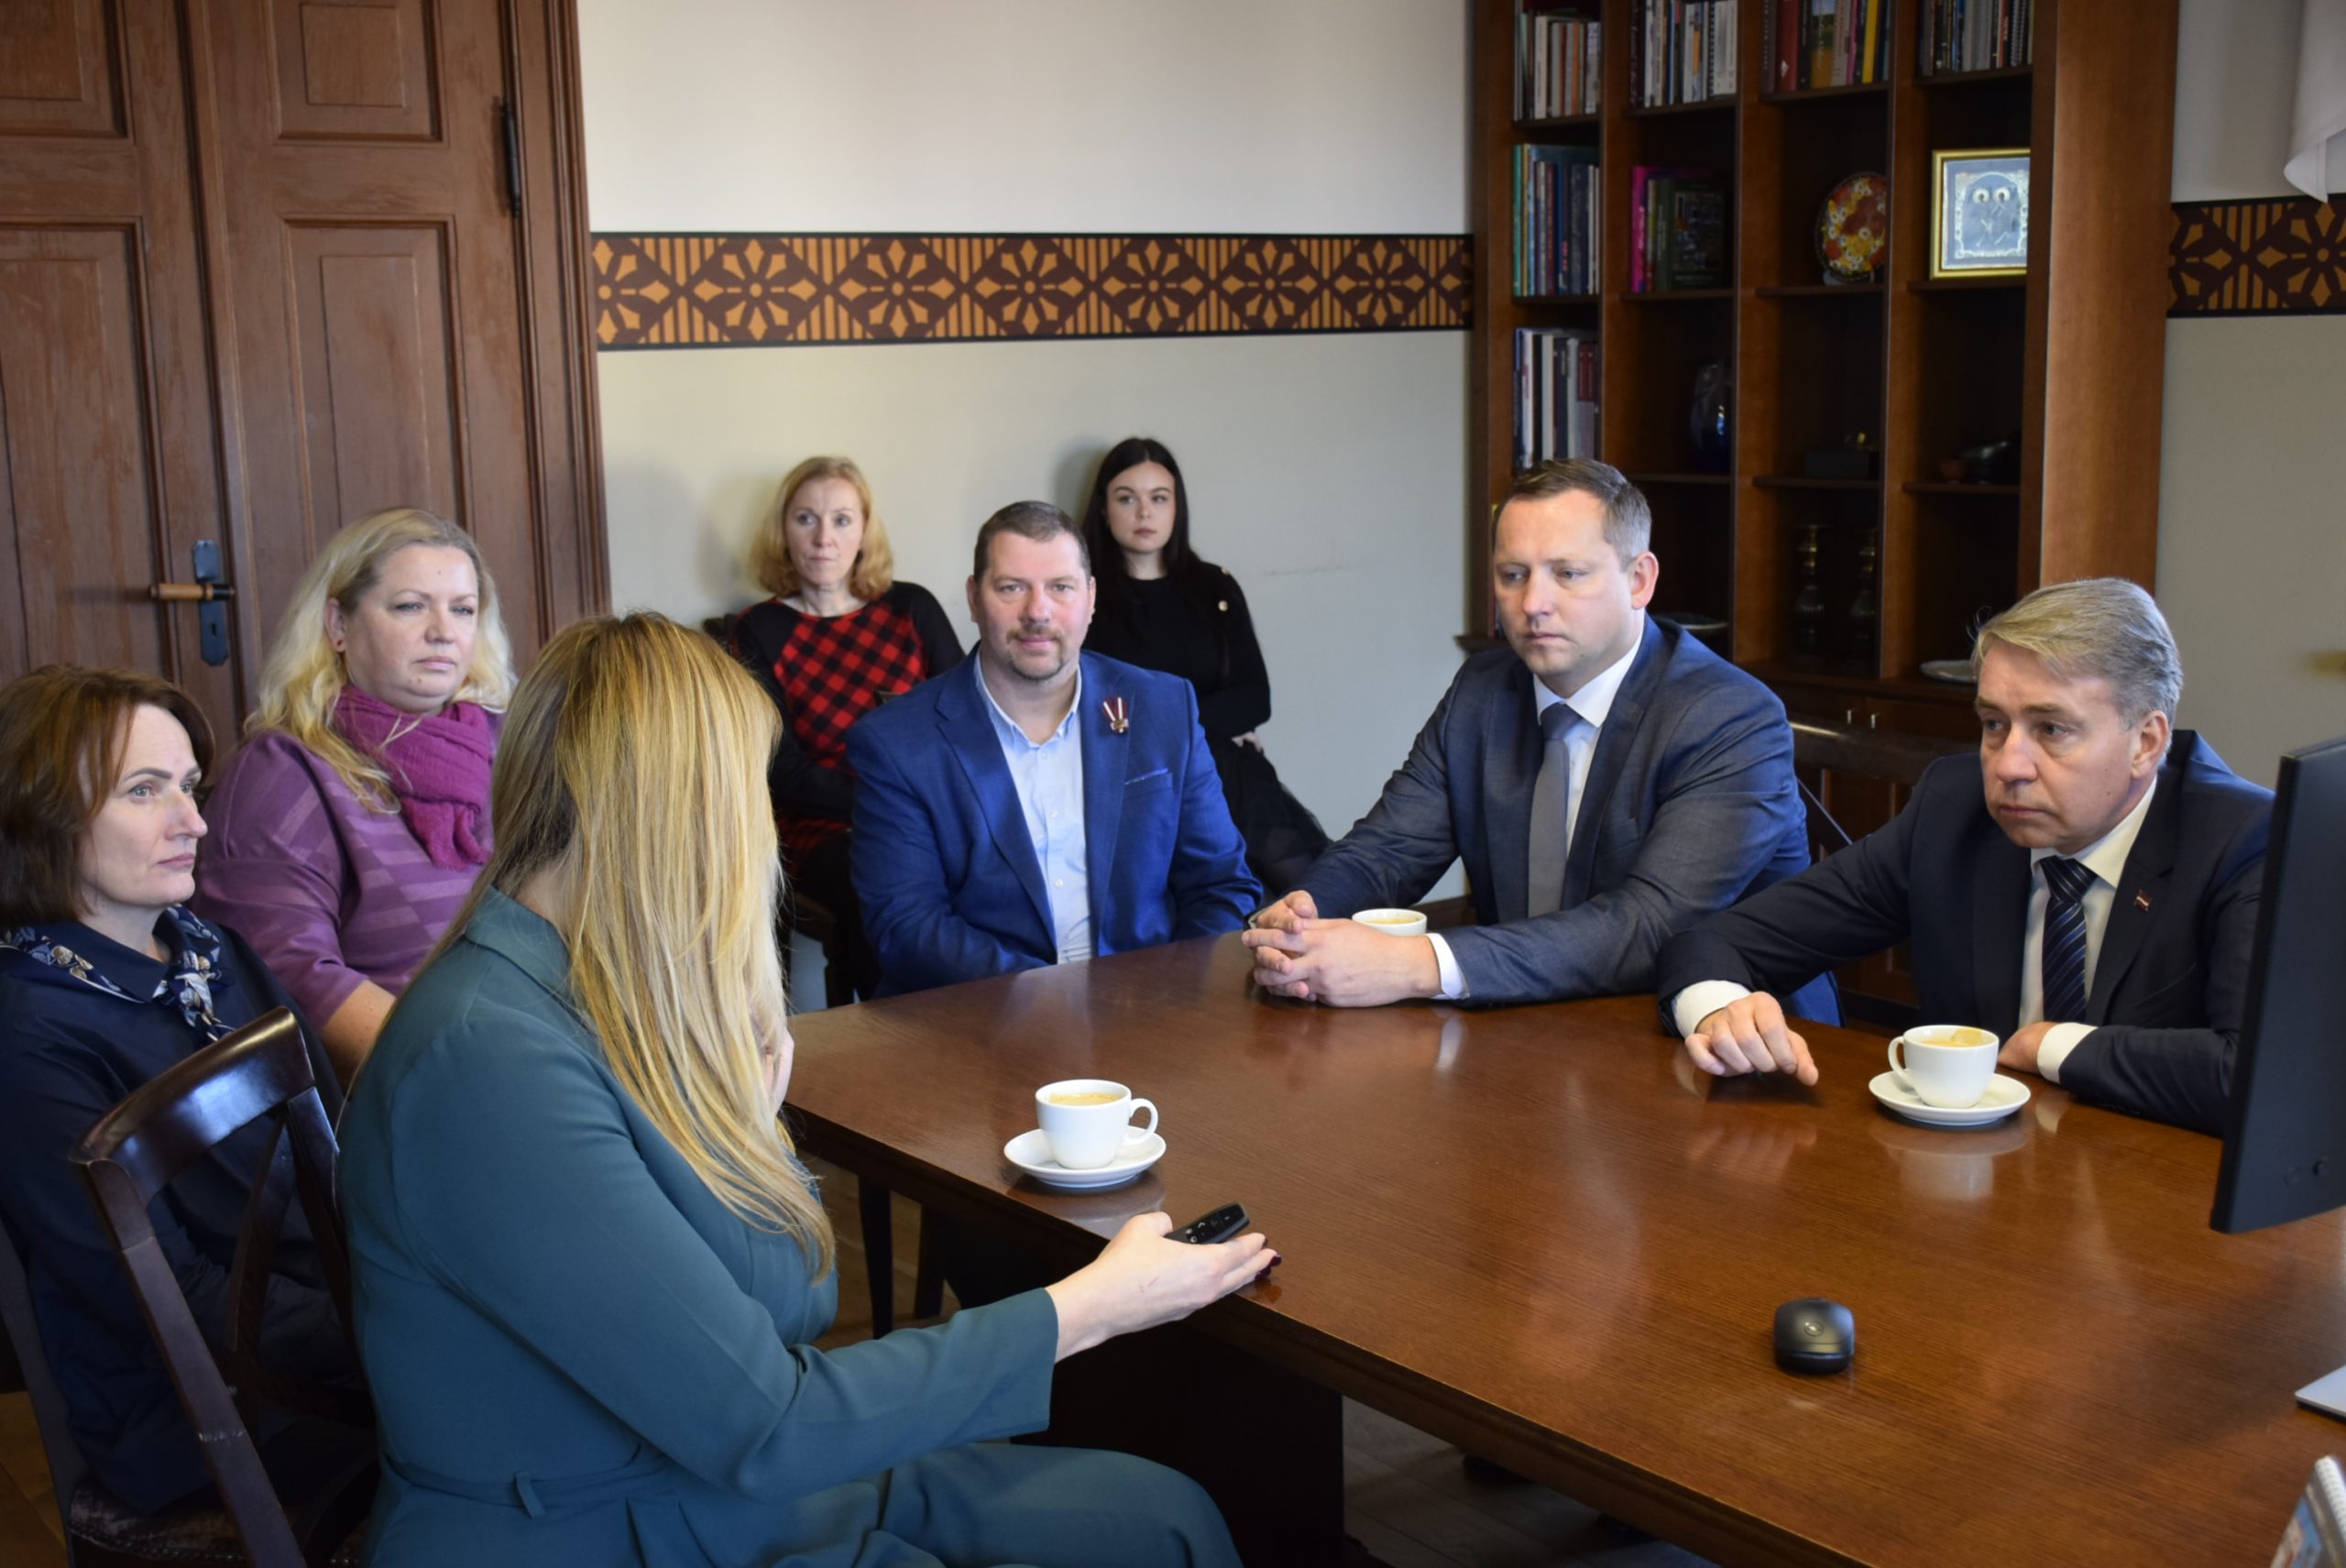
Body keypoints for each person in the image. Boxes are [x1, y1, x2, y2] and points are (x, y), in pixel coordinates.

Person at [339, 612, 1274, 1568]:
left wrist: (750, 1131)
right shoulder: (484, 1060)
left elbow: (796, 1300)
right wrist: (1089, 1306)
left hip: (728, 1485)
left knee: (1168, 1517)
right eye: (743, 790)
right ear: (673, 810)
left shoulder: (596, 992)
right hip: (613, 1530)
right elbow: (767, 1422)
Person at [1660, 576, 2273, 1135]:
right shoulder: (1954, 811)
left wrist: (2052, 1046)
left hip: (2159, 1189)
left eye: (2051, 729)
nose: (2009, 766)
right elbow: (1715, 943)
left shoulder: (2243, 840)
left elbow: (2253, 1075)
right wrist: (1720, 1012)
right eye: (1994, 724)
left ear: (2146, 742)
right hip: (1969, 1176)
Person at [1244, 458, 1831, 1015]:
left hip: (1721, 1037)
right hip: (1531, 1022)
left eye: (1568, 574)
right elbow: (1389, 849)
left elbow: (1650, 927)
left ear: (1639, 580)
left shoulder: (1728, 716)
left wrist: (1416, 964)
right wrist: (1303, 917)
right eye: (1513, 575)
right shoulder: (1483, 690)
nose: (1533, 604)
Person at [0, 666, 357, 1516]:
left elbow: (339, 1152)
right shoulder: (29, 1027)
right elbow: (165, 1296)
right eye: (144, 790)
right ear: (43, 814)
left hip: (328, 1320)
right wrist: (386, 1326)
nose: (193, 820)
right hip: (210, 1408)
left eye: (190, 786)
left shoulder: (210, 948)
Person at [847, 501, 1261, 995]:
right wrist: (1051, 997)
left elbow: (1219, 884)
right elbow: (906, 924)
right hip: (976, 1017)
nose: (1037, 612)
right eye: (1011, 587)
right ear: (974, 599)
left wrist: (1166, 996)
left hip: (1148, 1007)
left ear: (1091, 598)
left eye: (1060, 587)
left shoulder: (1163, 708)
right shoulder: (896, 742)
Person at [195, 507, 512, 1080]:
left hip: (537, 1047)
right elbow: (290, 975)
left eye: (463, 609)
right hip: (417, 1080)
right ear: (337, 624)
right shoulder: (284, 771)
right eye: (410, 606)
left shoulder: (509, 743)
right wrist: (463, 1074)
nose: (443, 631)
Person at [729, 456, 962, 1000]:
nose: (823, 539)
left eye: (841, 520)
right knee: (878, 880)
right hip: (819, 828)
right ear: (783, 530)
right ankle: (893, 1032)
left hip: (926, 812)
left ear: (864, 532)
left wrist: (919, 807)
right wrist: (886, 803)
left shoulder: (912, 608)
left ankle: (976, 1019)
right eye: (805, 519)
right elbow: (782, 771)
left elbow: (964, 724)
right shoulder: (759, 629)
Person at [1079, 436, 1328, 892]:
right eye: (1126, 498)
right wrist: (1209, 723)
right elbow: (1095, 712)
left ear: (1177, 506)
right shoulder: (1083, 598)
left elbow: (1256, 698)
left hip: (1223, 772)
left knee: (1308, 883)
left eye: (1159, 498)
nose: (1144, 513)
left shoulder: (1214, 588)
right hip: (1131, 777)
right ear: (1102, 508)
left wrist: (1184, 726)